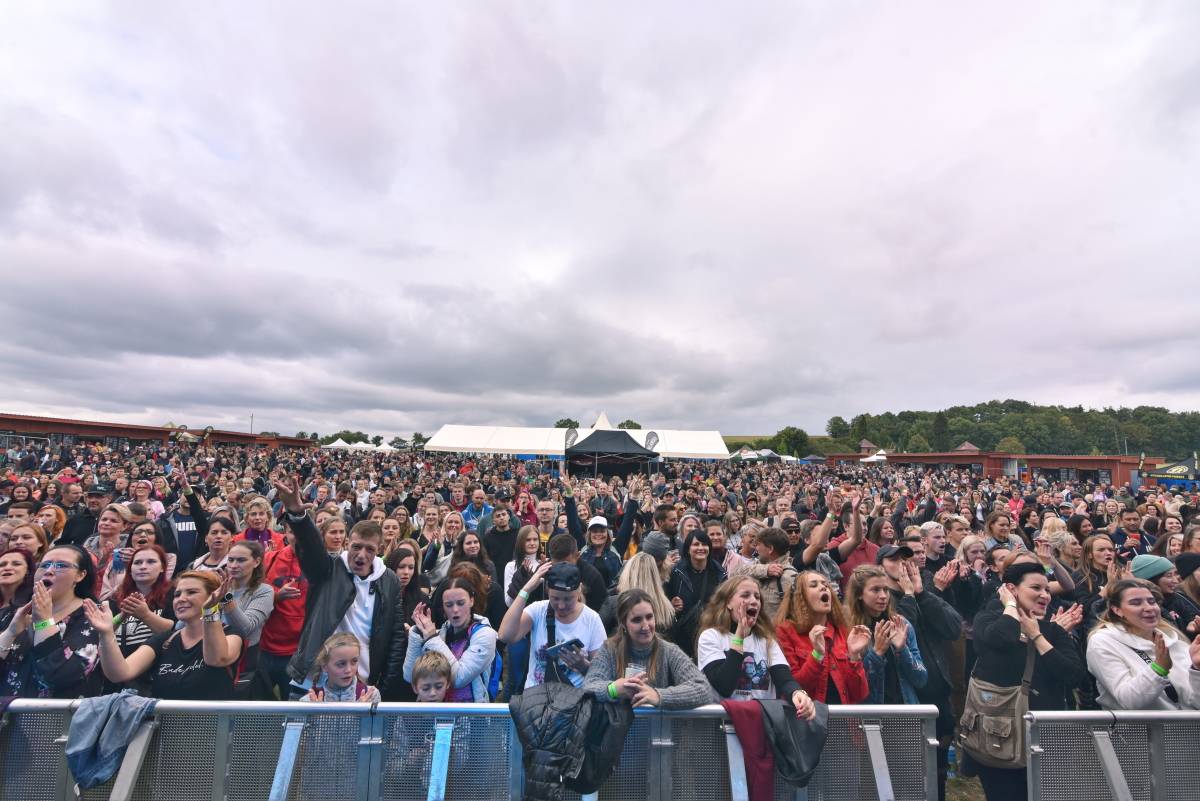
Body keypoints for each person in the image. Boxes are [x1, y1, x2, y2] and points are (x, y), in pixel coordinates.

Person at [273, 475, 408, 698]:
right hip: (313, 682)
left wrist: (385, 683)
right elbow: (312, 548)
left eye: (369, 549)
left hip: (361, 685)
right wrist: (298, 516)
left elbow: (394, 635)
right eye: (356, 547)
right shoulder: (329, 569)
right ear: (347, 543)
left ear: (380, 549)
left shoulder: (389, 580)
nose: (361, 555)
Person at [969, 561, 1086, 800]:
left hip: (1046, 738)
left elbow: (1074, 675)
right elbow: (1000, 639)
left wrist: (1038, 637)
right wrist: (1011, 606)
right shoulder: (989, 618)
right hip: (999, 737)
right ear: (1012, 589)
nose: (1044, 595)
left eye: (1046, 589)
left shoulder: (1052, 631)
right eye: (1036, 588)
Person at [84, 570, 244, 699]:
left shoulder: (231, 634)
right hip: (164, 733)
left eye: (192, 592)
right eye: (177, 594)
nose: (181, 599)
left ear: (213, 596)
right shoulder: (165, 640)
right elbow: (120, 673)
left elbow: (217, 659)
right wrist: (106, 633)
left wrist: (209, 610)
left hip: (212, 734)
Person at [695, 576, 816, 719]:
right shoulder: (711, 637)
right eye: (745, 595)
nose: (753, 601)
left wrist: (798, 693)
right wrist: (740, 636)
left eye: (757, 597)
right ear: (728, 603)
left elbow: (784, 679)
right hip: (723, 726)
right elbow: (724, 686)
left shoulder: (766, 641)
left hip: (761, 725)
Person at [583, 588, 715, 709]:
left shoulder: (669, 651)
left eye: (649, 617)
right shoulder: (609, 649)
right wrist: (613, 689)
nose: (645, 626)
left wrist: (658, 696)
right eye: (637, 620)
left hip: (659, 732)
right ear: (623, 624)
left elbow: (703, 689)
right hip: (618, 733)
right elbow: (589, 687)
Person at [0, 544, 103, 698]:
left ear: (80, 575)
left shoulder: (92, 615)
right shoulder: (17, 614)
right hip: (8, 716)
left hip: (56, 717)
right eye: (45, 565)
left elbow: (60, 676)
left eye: (61, 565)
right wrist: (10, 632)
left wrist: (44, 622)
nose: (49, 571)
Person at [1086, 578, 1200, 709]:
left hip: (1188, 728)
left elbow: (1196, 703)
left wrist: (1197, 669)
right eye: (1136, 603)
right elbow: (1129, 701)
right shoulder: (1102, 642)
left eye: (1152, 601)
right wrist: (1158, 669)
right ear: (1117, 610)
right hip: (1140, 729)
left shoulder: (1173, 640)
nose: (1148, 608)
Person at [498, 561, 606, 690]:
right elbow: (505, 635)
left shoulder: (591, 619)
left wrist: (583, 665)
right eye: (555, 598)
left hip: (574, 702)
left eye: (567, 599)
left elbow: (602, 673)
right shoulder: (538, 610)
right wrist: (526, 590)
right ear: (547, 591)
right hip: (537, 700)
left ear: (579, 591)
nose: (561, 606)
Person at [776, 570, 871, 704]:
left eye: (825, 584)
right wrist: (817, 655)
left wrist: (854, 656)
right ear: (800, 596)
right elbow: (794, 689)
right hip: (808, 721)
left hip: (842, 720)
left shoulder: (842, 630)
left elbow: (860, 694)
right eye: (813, 585)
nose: (823, 587)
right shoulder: (786, 631)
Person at [403, 575, 498, 702]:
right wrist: (418, 633)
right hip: (438, 713)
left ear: (471, 601)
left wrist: (431, 637)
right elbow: (410, 676)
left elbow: (458, 678)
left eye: (460, 603)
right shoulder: (441, 633)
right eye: (449, 605)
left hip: (472, 717)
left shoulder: (486, 635)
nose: (455, 610)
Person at [843, 565, 926, 704]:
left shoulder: (900, 624)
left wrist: (902, 649)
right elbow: (850, 686)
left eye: (886, 590)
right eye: (875, 590)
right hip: (871, 716)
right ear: (859, 594)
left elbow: (921, 679)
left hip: (905, 711)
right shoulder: (849, 630)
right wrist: (876, 654)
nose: (883, 596)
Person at [107, 544, 176, 692]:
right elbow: (104, 631)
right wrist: (121, 617)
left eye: (151, 562)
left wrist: (145, 615)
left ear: (163, 567)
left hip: (155, 677)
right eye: (137, 563)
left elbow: (176, 631)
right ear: (130, 569)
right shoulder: (115, 599)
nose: (143, 566)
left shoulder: (173, 595)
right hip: (116, 679)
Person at [219, 540, 275, 696]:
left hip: (244, 665)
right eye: (231, 560)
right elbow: (183, 625)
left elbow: (245, 628)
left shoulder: (264, 591)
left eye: (241, 560)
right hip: (213, 657)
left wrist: (226, 600)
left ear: (256, 562)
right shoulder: (218, 586)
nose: (234, 565)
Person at [665, 529, 726, 657]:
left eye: (704, 544)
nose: (701, 548)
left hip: (711, 631)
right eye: (696, 544)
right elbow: (665, 600)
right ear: (688, 549)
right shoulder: (676, 573)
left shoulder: (719, 573)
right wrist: (672, 605)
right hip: (683, 635)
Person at [733, 527, 798, 622]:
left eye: (758, 545)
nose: (756, 548)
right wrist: (765, 570)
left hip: (775, 633)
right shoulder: (759, 566)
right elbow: (734, 574)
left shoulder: (789, 576)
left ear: (770, 549)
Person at [302, 633, 381, 702]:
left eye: (354, 661)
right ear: (324, 666)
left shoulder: (371, 695)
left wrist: (363, 713)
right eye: (341, 664)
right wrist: (316, 716)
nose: (348, 670)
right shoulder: (309, 701)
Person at [0, 548, 35, 631]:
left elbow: (51, 624)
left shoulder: (36, 601)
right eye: (2, 565)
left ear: (28, 570)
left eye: (16, 564)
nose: (7, 568)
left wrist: (31, 626)